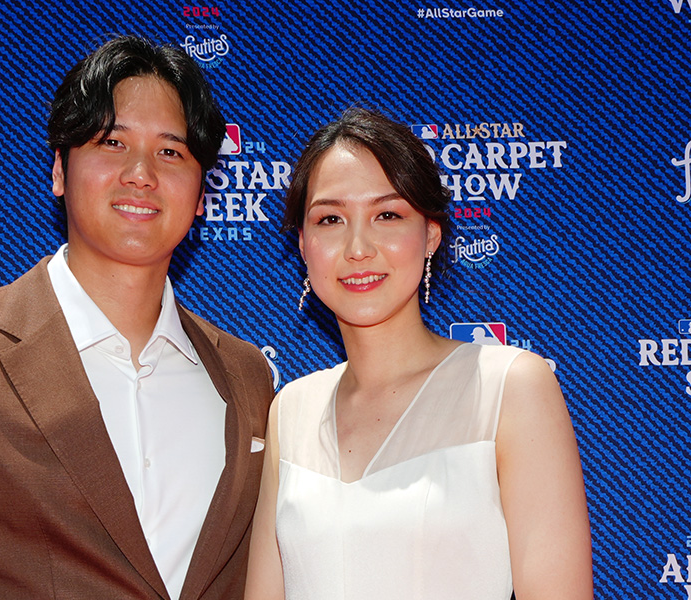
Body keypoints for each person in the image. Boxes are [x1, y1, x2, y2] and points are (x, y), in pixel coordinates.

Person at [0, 36, 274, 600]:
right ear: (60, 173)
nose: (141, 173)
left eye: (171, 152)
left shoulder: (245, 377)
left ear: (200, 195)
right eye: (111, 142)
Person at [244, 108, 593, 599]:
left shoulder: (509, 387)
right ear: (303, 244)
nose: (358, 246)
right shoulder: (290, 411)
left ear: (430, 234)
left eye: (387, 215)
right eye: (330, 219)